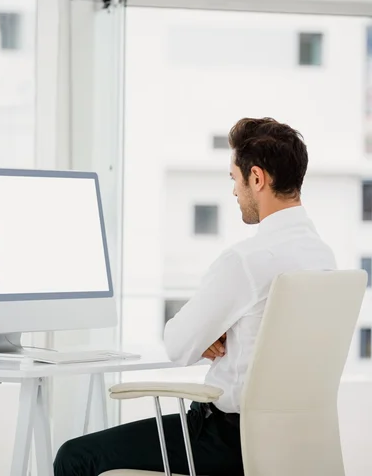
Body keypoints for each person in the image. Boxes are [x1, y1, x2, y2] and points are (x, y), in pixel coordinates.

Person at [54, 117, 336, 476]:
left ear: (257, 178)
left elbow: (177, 346)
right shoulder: (323, 258)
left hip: (225, 442)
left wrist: (206, 334)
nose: (234, 192)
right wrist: (230, 330)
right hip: (295, 445)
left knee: (75, 456)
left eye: (235, 179)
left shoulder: (246, 261)